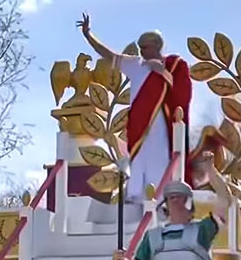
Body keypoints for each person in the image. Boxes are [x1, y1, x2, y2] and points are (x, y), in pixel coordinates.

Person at [77, 13, 192, 203]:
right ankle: (135, 195)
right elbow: (110, 55)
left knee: (158, 158)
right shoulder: (135, 64)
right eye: (139, 48)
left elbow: (182, 95)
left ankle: (160, 198)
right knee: (138, 159)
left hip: (161, 123)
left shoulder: (173, 65)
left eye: (145, 47)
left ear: (156, 46)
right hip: (138, 125)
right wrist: (88, 35)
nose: (141, 52)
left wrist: (161, 72)